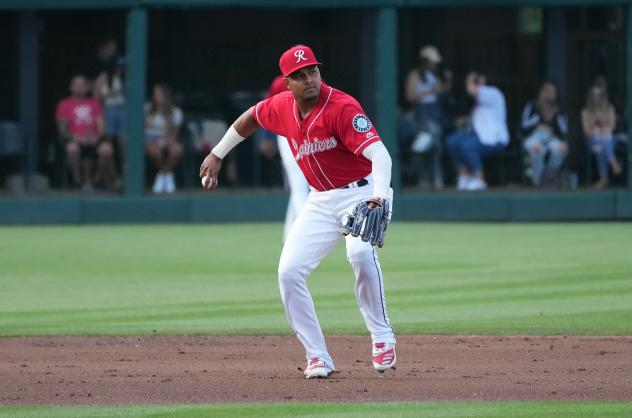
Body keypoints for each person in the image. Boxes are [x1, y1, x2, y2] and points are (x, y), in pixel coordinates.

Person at [200, 45, 397, 379]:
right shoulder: (280, 108)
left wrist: (377, 197)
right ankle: (317, 355)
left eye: (313, 72)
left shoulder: (342, 107)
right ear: (287, 83)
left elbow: (381, 155)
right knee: (288, 271)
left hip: (362, 191)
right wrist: (218, 154)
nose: (309, 80)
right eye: (300, 76)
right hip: (321, 200)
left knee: (361, 255)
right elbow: (249, 118)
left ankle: (381, 336)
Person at [446, 72, 509, 191]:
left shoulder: (493, 92)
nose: (476, 84)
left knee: (468, 146)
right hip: (477, 136)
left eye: (478, 81)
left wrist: (470, 79)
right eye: (475, 81)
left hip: (495, 139)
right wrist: (465, 120)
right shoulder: (478, 103)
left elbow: (472, 90)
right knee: (452, 141)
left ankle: (479, 179)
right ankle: (463, 176)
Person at [265, 75, 310, 241]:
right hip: (286, 133)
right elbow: (266, 109)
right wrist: (266, 137)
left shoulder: (314, 80)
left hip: (309, 134)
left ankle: (290, 234)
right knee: (299, 183)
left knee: (301, 184)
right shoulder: (279, 82)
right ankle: (306, 230)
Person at [404, 45, 452, 189]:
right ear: (425, 61)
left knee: (435, 145)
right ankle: (425, 178)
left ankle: (435, 179)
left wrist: (449, 80)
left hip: (435, 114)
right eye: (432, 61)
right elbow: (410, 96)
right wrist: (429, 91)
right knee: (425, 145)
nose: (434, 64)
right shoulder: (414, 75)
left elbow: (442, 93)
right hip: (421, 115)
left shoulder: (434, 76)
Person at [56, 74, 114, 192]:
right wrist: (76, 138)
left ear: (87, 88)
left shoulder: (94, 103)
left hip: (93, 139)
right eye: (76, 85)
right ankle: (78, 181)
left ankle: (96, 180)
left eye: (82, 85)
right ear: (71, 87)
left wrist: (96, 137)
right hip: (75, 139)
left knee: (107, 149)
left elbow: (101, 126)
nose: (79, 88)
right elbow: (62, 129)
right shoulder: (64, 104)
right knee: (72, 149)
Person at [520, 82, 568, 187]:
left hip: (551, 138)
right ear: (541, 92)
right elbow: (523, 125)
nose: (550, 94)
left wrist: (556, 114)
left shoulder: (558, 108)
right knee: (538, 150)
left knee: (561, 149)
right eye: (547, 91)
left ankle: (548, 177)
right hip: (533, 137)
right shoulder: (532, 105)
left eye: (552, 92)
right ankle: (537, 182)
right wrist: (538, 119)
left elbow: (564, 130)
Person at [93, 55, 126, 188]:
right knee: (108, 143)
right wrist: (112, 93)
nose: (120, 69)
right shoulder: (103, 77)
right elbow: (96, 98)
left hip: (122, 111)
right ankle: (112, 177)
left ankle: (125, 175)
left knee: (123, 143)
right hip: (107, 110)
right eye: (118, 67)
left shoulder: (125, 78)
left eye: (122, 67)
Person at [144, 83, 184, 194]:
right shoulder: (147, 109)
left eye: (159, 94)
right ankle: (165, 174)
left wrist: (165, 113)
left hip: (167, 139)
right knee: (155, 151)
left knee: (177, 149)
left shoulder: (175, 112)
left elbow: (175, 133)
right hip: (150, 140)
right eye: (155, 94)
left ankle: (163, 175)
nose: (156, 97)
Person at [581, 84, 621, 189]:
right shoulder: (585, 111)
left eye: (598, 95)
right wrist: (597, 133)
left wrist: (604, 131)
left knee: (601, 145)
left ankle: (603, 178)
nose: (596, 98)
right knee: (599, 145)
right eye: (593, 95)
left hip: (609, 138)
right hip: (592, 140)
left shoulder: (610, 108)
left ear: (603, 96)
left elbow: (612, 126)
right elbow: (586, 131)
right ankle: (613, 162)